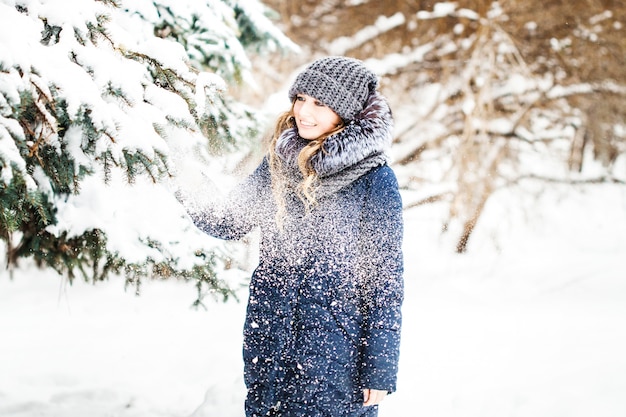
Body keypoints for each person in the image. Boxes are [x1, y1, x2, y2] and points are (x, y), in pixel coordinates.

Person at [180, 56, 404, 417]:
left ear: (345, 113)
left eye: (320, 103)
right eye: (301, 99)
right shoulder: (280, 164)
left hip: (335, 361)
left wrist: (379, 370)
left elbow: (383, 283)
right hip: (269, 346)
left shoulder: (375, 181)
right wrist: (179, 172)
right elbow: (227, 222)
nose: (305, 112)